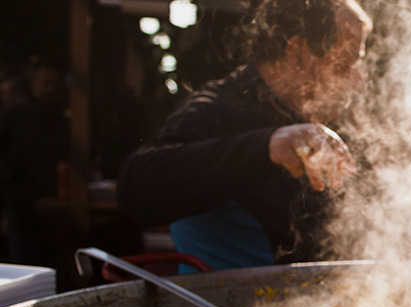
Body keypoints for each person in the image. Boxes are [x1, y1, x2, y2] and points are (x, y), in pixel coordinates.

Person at [118, 0, 372, 271]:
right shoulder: (218, 109)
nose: (357, 80)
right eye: (345, 62)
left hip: (317, 301)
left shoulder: (320, 118)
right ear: (297, 52)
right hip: (225, 305)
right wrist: (268, 147)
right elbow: (136, 188)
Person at [0, 59, 69, 266]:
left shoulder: (60, 117)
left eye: (54, 84)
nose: (49, 90)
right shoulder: (13, 115)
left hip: (52, 206)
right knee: (25, 265)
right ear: (33, 82)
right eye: (45, 83)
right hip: (20, 205)